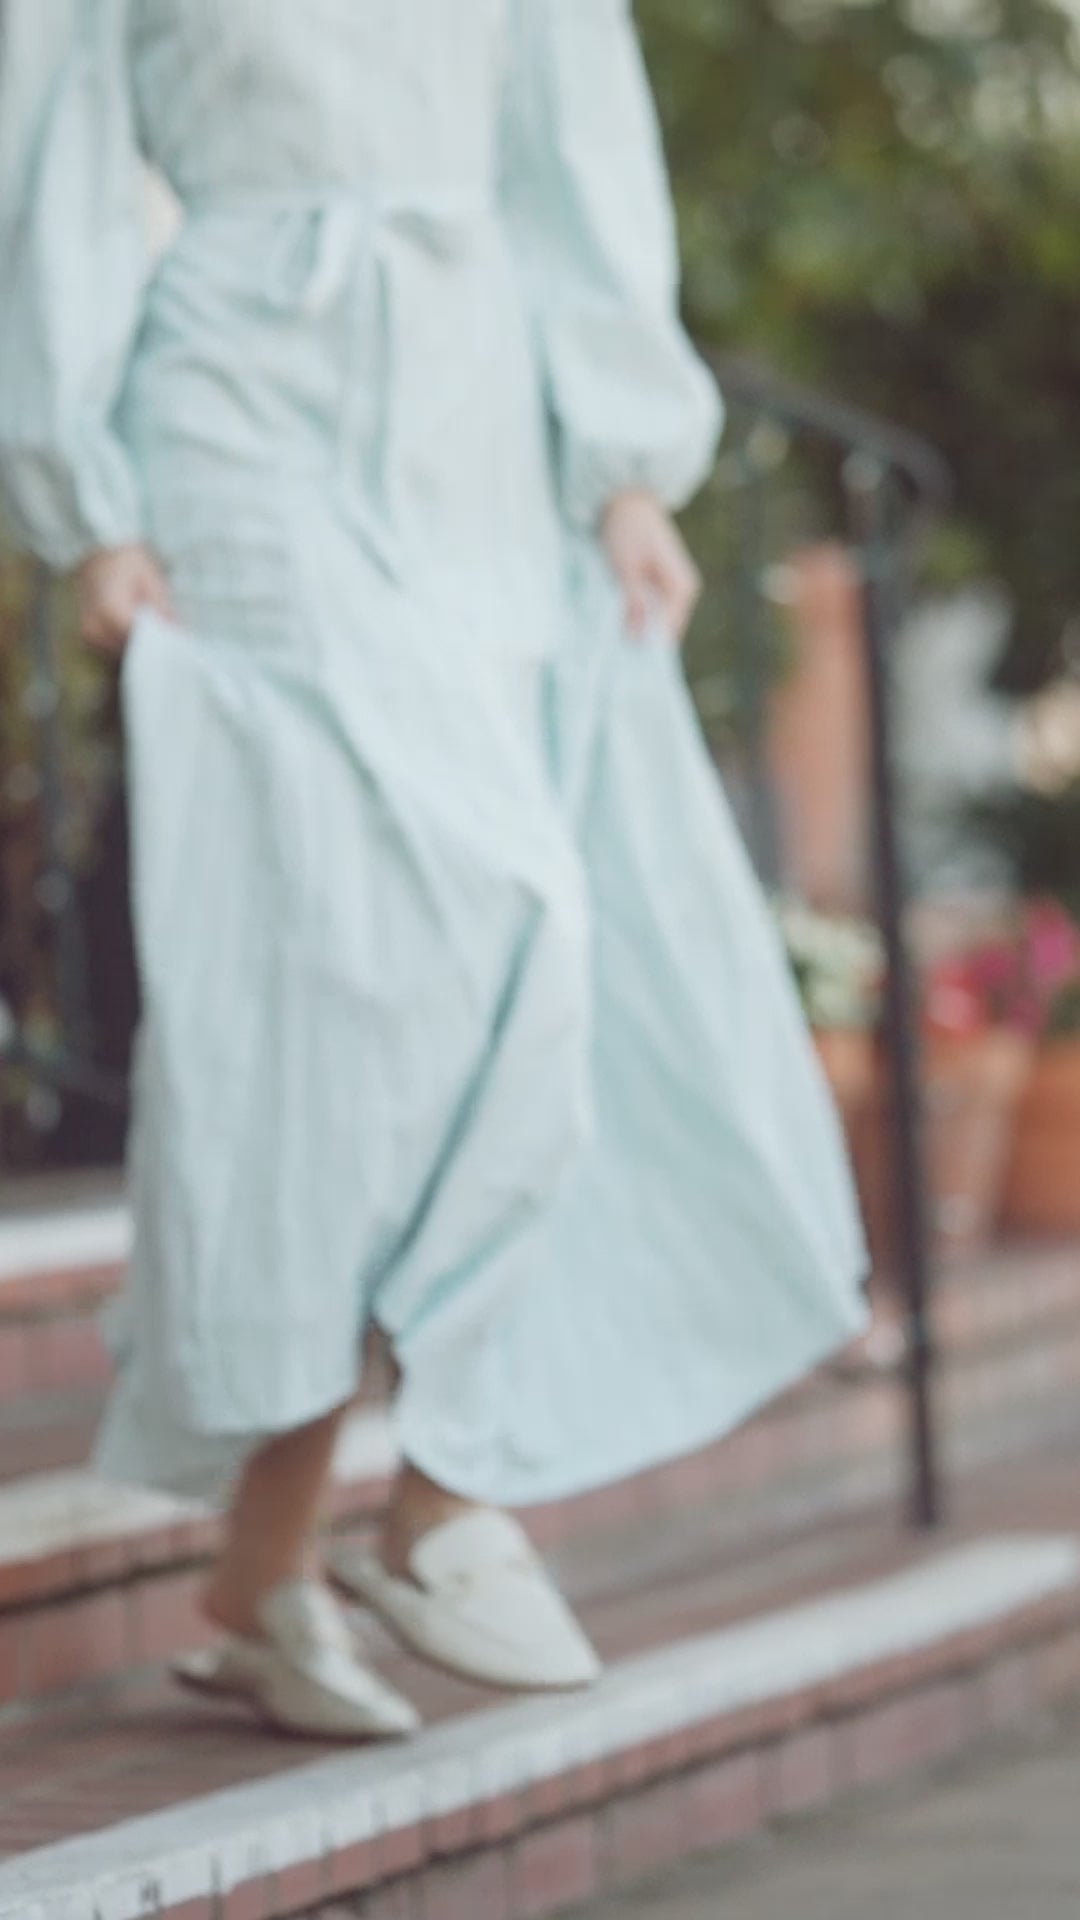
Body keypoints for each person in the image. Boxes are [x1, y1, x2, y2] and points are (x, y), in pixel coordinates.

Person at [0, 0, 867, 1740]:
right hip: (236, 412)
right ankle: (432, 1503)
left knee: (480, 957)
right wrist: (86, 497)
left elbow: (573, 147)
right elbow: (51, 157)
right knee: (347, 968)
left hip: (479, 424)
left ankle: (307, 1551)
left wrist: (627, 470)